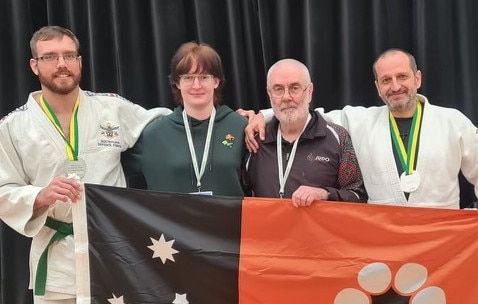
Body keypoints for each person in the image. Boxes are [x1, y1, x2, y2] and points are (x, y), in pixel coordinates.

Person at [0, 26, 171, 304]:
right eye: (50, 57)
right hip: (57, 256)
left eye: (68, 55)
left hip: (110, 252)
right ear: (34, 65)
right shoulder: (13, 127)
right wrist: (39, 195)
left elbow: (166, 124)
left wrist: (254, 118)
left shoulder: (110, 109)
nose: (61, 64)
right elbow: (2, 188)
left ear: (79, 60)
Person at [247, 49, 478, 209]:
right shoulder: (360, 121)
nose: (395, 86)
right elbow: (309, 115)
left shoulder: (453, 121)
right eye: (386, 80)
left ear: (417, 78)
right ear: (377, 87)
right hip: (382, 243)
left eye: (402, 76)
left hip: (442, 240)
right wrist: (265, 115)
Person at [122, 42, 248, 196]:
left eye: (204, 77)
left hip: (229, 219)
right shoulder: (153, 134)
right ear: (177, 82)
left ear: (216, 81)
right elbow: (110, 165)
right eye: (188, 77)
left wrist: (263, 115)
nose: (196, 85)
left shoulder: (239, 126)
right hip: (173, 220)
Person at [242, 59, 367, 206]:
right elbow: (242, 197)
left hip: (318, 230)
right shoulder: (254, 141)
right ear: (269, 94)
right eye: (278, 89)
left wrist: (325, 194)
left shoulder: (338, 137)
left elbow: (358, 196)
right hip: (268, 229)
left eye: (295, 88)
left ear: (309, 92)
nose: (286, 97)